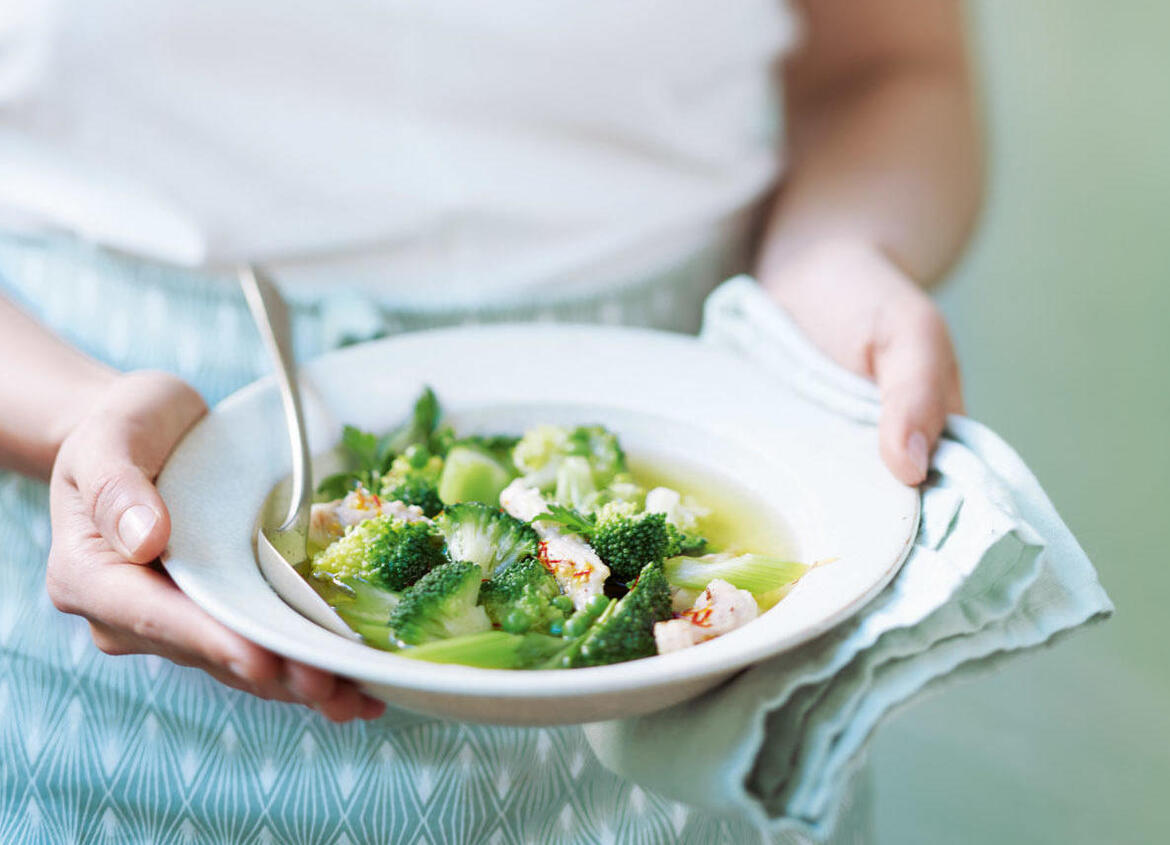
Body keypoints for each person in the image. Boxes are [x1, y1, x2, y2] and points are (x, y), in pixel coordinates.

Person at [0, 1, 979, 841]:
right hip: (102, 629)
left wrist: (835, 261)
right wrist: (72, 409)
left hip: (705, 682)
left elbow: (887, 67)